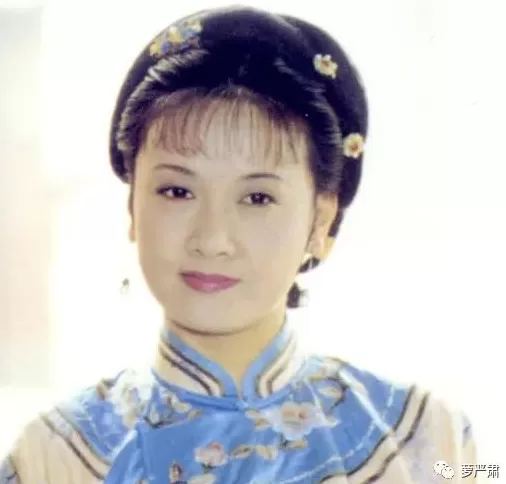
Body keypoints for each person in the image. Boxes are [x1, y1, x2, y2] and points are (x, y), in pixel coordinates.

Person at [0, 5, 476, 483]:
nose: (212, 240)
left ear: (321, 221)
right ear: (132, 207)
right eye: (177, 191)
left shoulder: (431, 442)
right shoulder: (50, 459)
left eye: (257, 198)